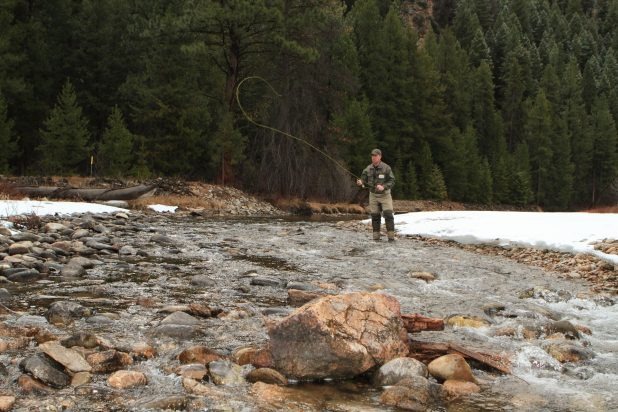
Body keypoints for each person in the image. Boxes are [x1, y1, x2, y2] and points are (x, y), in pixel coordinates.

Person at [356, 148, 396, 241]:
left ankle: (391, 237)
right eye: (372, 156)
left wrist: (384, 186)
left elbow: (392, 181)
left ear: (380, 157)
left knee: (388, 214)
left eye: (375, 156)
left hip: (385, 195)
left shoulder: (386, 168)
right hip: (373, 195)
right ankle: (376, 238)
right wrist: (360, 182)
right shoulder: (367, 168)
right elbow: (363, 180)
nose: (373, 158)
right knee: (375, 216)